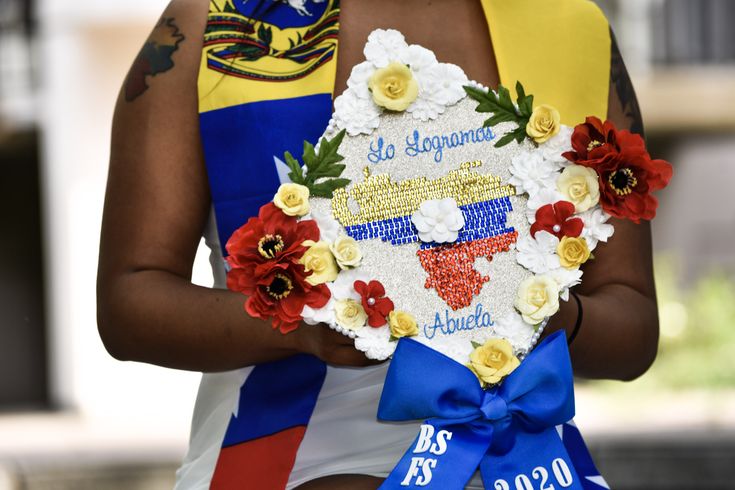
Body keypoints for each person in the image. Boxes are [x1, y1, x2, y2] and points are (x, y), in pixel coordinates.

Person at [97, 0, 659, 488]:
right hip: (281, 454)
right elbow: (131, 301)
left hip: (520, 456)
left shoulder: (570, 27)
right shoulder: (214, 28)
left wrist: (544, 314)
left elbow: (632, 327)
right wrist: (306, 328)